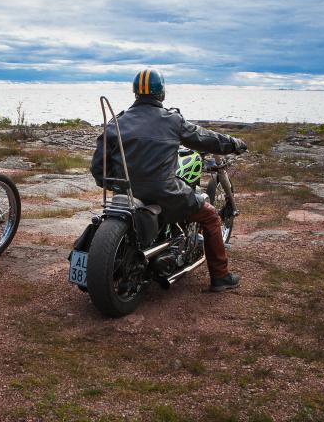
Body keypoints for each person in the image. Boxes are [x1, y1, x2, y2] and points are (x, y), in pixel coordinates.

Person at [90, 68, 247, 292]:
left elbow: (98, 168)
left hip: (126, 195)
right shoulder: (172, 120)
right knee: (211, 216)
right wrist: (233, 143)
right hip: (166, 196)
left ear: (135, 92)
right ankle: (220, 277)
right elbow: (204, 138)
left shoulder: (117, 122)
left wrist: (115, 185)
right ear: (161, 93)